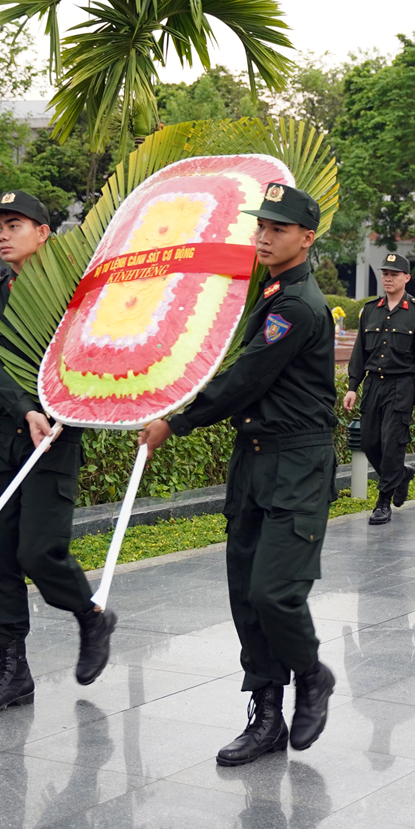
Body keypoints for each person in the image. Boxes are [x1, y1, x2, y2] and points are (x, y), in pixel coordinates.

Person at [140, 182, 338, 767]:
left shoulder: (297, 306)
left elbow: (247, 379)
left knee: (273, 592)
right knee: (245, 599)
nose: (265, 235)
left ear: (307, 237)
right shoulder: (273, 293)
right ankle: (267, 717)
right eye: (262, 225)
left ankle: (312, 674)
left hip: (297, 464)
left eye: (279, 228)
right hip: (254, 459)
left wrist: (178, 421)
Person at [0, 190, 115, 717]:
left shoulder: (75, 298)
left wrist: (57, 410)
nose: (2, 234)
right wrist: (26, 407)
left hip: (57, 438)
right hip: (5, 436)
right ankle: (13, 671)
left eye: (15, 224)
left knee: (39, 552)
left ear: (43, 233)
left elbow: (93, 357)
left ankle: (90, 615)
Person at [343, 252, 415, 526]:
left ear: (406, 278)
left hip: (401, 385)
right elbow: (359, 351)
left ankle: (383, 502)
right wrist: (352, 386)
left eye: (394, 274)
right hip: (373, 385)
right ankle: (401, 475)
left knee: (392, 443)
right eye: (385, 273)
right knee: (370, 441)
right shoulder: (370, 309)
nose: (388, 278)